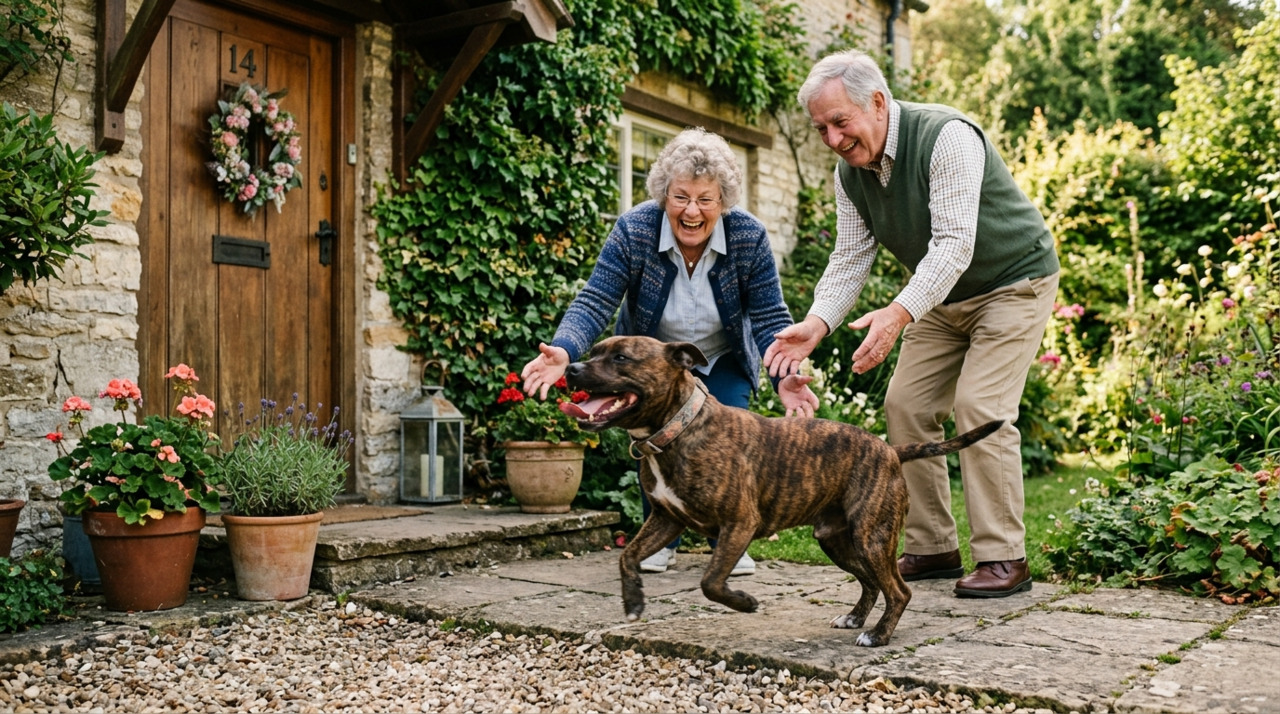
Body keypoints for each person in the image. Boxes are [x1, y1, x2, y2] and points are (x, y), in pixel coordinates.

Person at [764, 50, 1060, 598]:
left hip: (1013, 282)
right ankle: (933, 546)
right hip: (942, 298)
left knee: (981, 405)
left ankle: (1004, 557)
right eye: (821, 128)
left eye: (840, 122)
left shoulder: (947, 137)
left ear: (877, 103)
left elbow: (954, 244)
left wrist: (898, 312)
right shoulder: (850, 173)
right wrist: (817, 323)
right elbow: (850, 256)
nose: (832, 139)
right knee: (906, 405)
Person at [521, 127, 820, 577]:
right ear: (664, 195)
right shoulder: (635, 229)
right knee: (655, 436)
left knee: (726, 441)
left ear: (723, 201)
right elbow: (597, 299)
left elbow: (769, 317)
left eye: (705, 199)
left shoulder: (748, 236)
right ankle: (661, 538)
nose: (692, 210)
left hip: (721, 356)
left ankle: (728, 539)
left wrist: (784, 376)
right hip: (652, 361)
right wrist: (563, 350)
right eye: (680, 197)